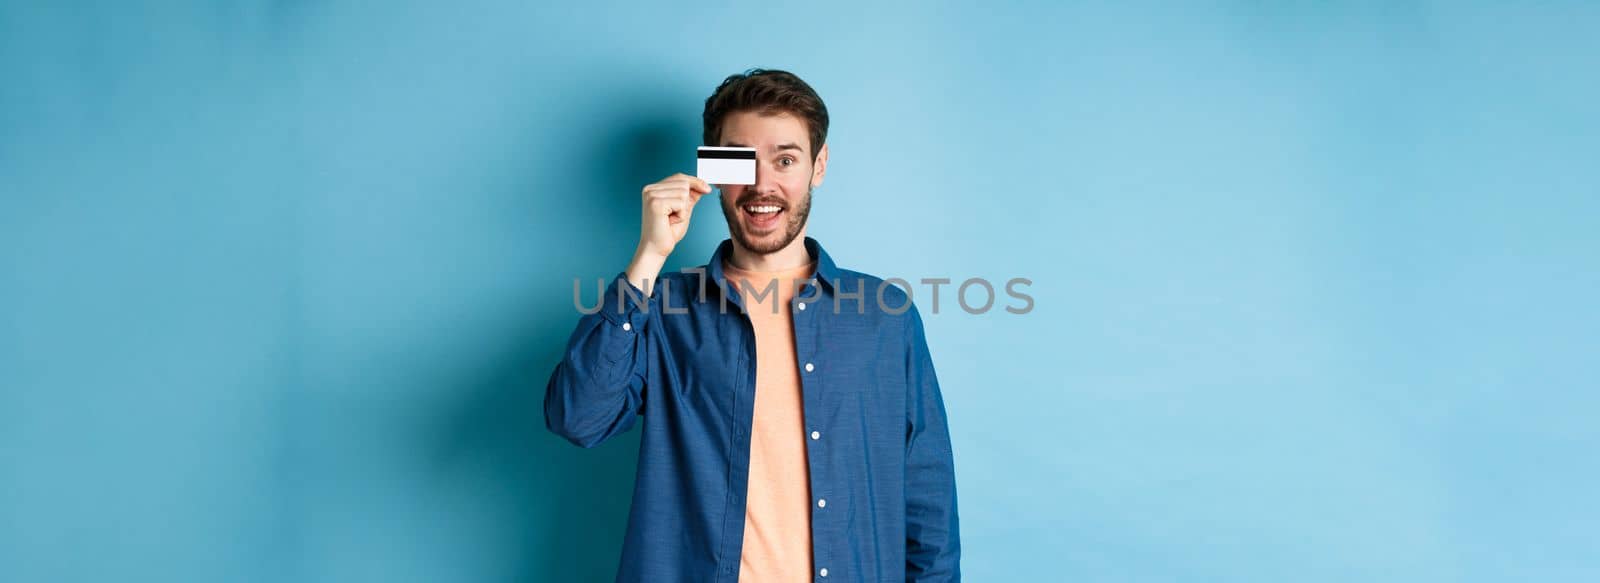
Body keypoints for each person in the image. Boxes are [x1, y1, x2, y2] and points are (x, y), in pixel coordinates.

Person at [545, 68, 960, 582]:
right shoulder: (662, 309)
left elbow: (928, 498)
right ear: (713, 169)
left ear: (819, 165)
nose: (762, 185)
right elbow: (579, 418)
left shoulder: (883, 316)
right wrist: (648, 257)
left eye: (785, 159)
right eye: (741, 160)